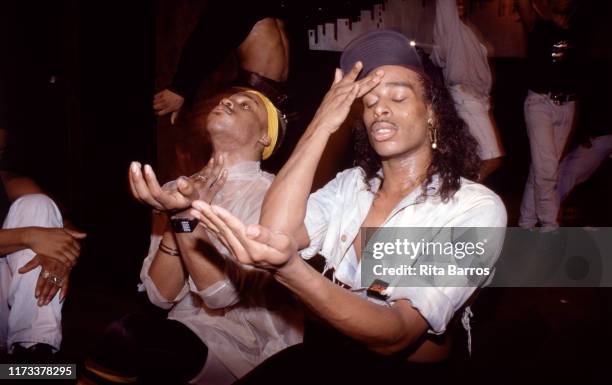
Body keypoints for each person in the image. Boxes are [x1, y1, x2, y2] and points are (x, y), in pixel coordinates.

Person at [191, 30, 507, 384]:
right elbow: (276, 233)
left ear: (431, 112)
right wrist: (322, 123)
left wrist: (292, 270)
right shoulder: (351, 185)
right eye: (368, 103)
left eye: (398, 97)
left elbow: (399, 333)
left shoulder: (476, 206)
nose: (380, 108)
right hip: (333, 351)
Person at [85, 88, 300, 385]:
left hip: (248, 348)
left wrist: (186, 217)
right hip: (184, 329)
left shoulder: (274, 195)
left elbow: (221, 296)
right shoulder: (175, 187)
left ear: (265, 138)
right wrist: (177, 216)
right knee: (119, 340)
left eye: (246, 105)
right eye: (228, 99)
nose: (227, 101)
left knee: (129, 341)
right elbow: (159, 296)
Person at [0, 128, 86, 360]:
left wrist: (59, 257)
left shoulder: (9, 181)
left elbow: (62, 226)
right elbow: (35, 235)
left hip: (8, 306)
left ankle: (34, 352)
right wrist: (27, 236)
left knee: (38, 204)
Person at [153, 0, 290, 124]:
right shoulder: (233, 5)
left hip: (278, 97)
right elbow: (204, 38)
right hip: (250, 96)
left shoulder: (276, 6)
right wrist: (180, 88)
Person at [516, 0, 577, 229]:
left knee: (541, 169)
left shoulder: (579, 28)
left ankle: (526, 223)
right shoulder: (538, 24)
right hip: (540, 103)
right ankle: (550, 227)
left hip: (568, 105)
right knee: (547, 170)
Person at [431, 0, 505, 180]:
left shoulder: (468, 27)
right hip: (466, 96)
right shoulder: (450, 26)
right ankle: (458, 195)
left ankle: (457, 193)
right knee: (492, 159)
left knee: (476, 158)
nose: (460, 2)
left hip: (479, 98)